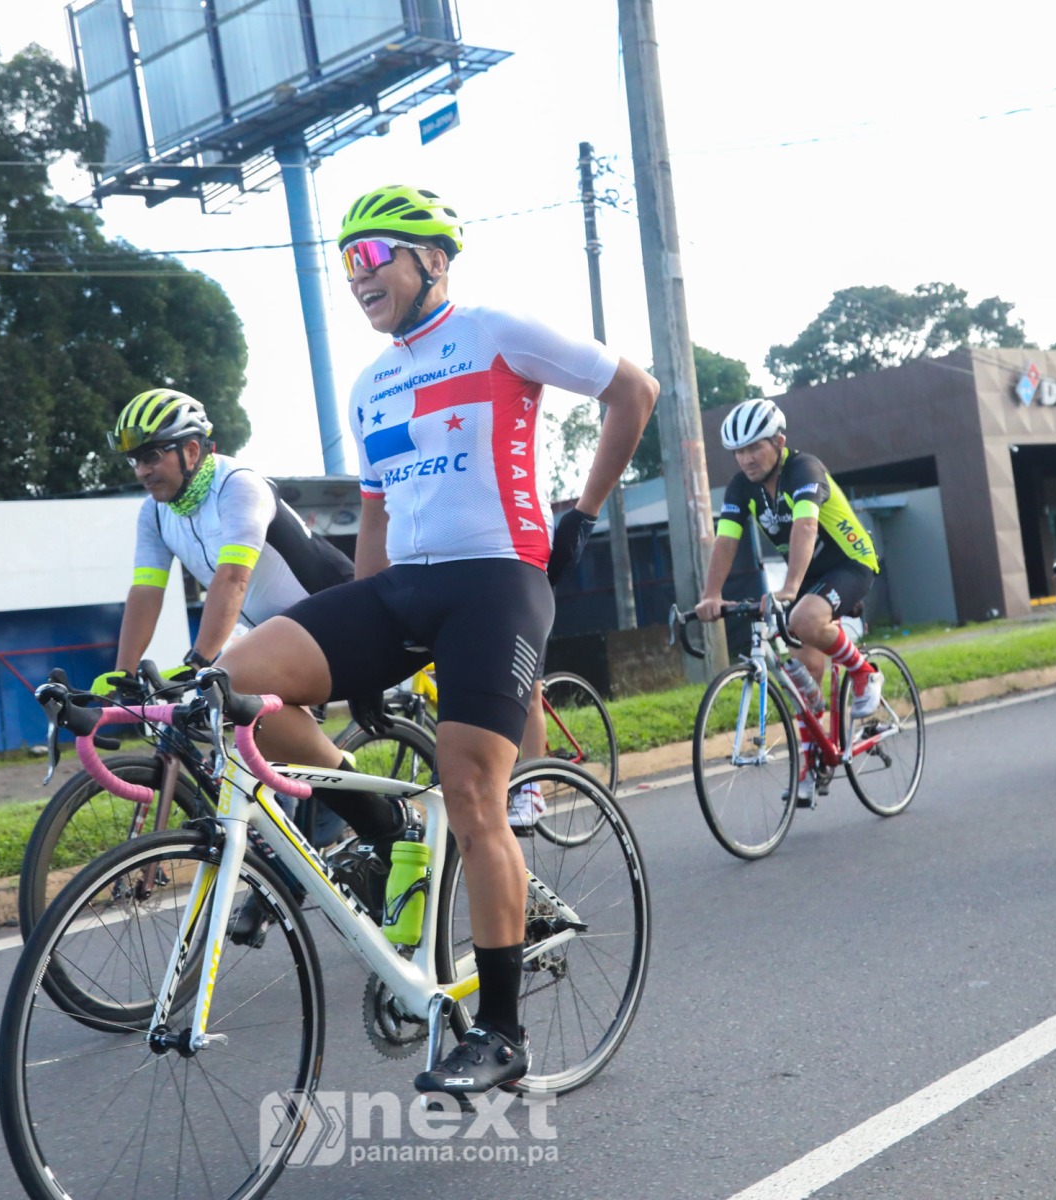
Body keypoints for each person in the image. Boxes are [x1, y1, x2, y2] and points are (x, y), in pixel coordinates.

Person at [214, 184, 658, 1094]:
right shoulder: (369, 385)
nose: (356, 276)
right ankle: (380, 825)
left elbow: (634, 391)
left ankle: (502, 1031)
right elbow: (376, 514)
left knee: (472, 793)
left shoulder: (497, 331)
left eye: (371, 256)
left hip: (496, 584)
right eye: (345, 262)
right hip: (401, 591)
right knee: (231, 685)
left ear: (432, 259)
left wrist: (582, 512)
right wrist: (360, 636)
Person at [99, 388, 355, 915]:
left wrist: (200, 661)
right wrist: (122, 674)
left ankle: (340, 808)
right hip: (272, 631)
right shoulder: (156, 513)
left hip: (334, 614)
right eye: (135, 460)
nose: (142, 470)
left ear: (191, 451)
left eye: (152, 455)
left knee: (239, 698)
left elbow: (233, 578)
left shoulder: (239, 485)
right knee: (236, 729)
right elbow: (146, 591)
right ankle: (293, 852)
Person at [695, 398, 883, 804]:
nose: (746, 459)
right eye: (738, 451)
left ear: (779, 442)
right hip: (810, 574)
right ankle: (814, 761)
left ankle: (864, 672)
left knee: (804, 618)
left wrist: (789, 588)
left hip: (849, 562)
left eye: (754, 448)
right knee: (804, 675)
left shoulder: (804, 469)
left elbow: (806, 525)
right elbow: (726, 540)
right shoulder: (741, 487)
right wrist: (711, 594)